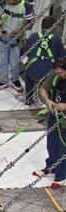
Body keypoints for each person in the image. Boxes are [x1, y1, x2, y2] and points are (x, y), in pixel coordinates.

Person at [34, 56, 66, 190]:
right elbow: (42, 90)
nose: (59, 75)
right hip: (54, 115)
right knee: (51, 143)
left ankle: (62, 175)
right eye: (57, 73)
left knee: (62, 147)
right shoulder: (55, 75)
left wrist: (64, 106)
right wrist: (47, 101)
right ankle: (51, 166)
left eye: (61, 73)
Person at [22, 17, 65, 106]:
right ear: (54, 27)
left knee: (28, 72)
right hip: (47, 74)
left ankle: (28, 98)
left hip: (32, 71)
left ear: (41, 26)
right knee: (55, 75)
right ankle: (46, 101)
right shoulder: (56, 40)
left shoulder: (33, 36)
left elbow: (25, 51)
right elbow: (61, 58)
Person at [0, 0, 28, 90]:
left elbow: (30, 21)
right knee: (2, 60)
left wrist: (20, 29)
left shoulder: (26, 6)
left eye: (9, 0)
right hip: (3, 35)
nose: (7, 2)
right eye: (6, 0)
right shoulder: (4, 3)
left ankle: (15, 80)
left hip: (16, 38)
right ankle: (3, 80)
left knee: (14, 61)